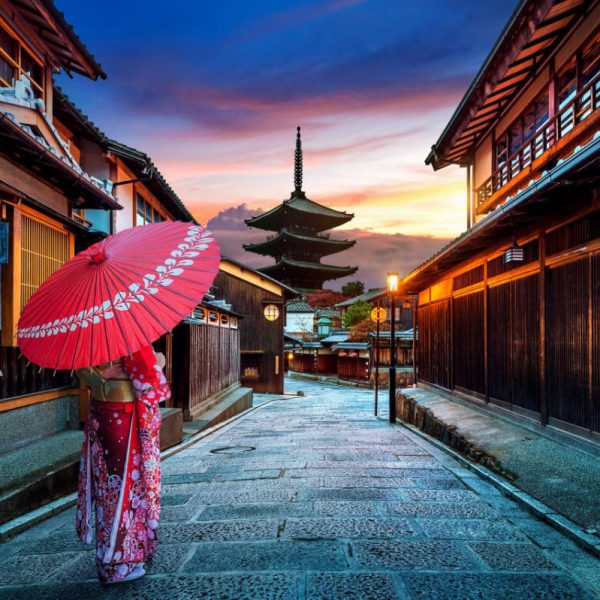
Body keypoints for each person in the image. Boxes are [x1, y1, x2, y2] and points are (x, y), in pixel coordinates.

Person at [75, 345, 170, 584]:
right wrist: (158, 361)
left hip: (99, 411)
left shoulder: (87, 336)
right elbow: (147, 379)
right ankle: (118, 563)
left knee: (107, 488)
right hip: (123, 416)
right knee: (126, 490)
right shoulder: (126, 335)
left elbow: (85, 374)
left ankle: (107, 556)